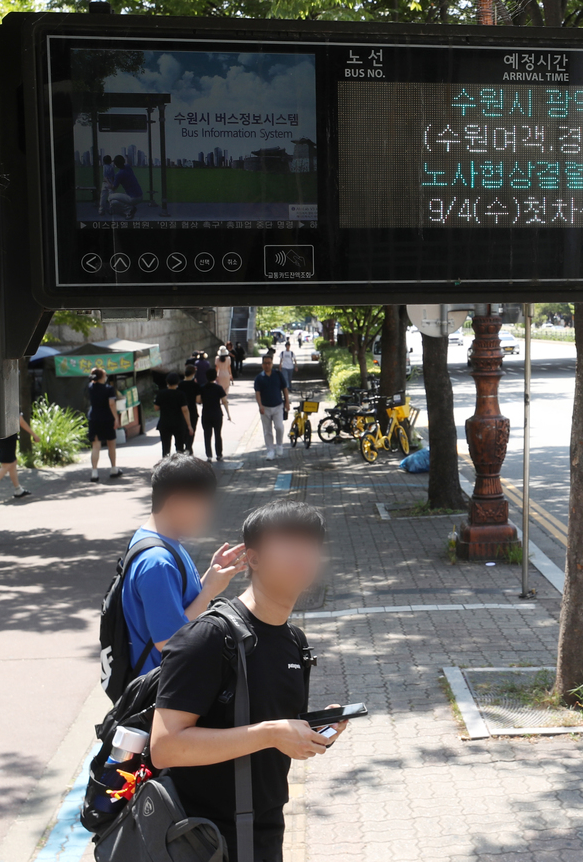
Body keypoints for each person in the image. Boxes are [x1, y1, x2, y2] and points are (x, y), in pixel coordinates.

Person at [151, 500, 343, 862]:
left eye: (311, 544)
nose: (303, 554)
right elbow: (165, 747)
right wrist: (271, 732)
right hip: (200, 840)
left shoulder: (294, 642)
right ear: (253, 559)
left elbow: (275, 735)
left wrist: (316, 732)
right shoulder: (208, 638)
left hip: (265, 832)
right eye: (288, 543)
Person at [120, 455, 246, 677]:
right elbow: (169, 640)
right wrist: (209, 591)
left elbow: (177, 606)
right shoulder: (157, 561)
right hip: (166, 691)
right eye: (201, 505)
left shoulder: (159, 540)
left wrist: (210, 575)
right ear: (176, 502)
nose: (206, 515)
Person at [0, 413, 40, 503]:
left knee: (13, 463)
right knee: (6, 466)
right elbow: (20, 420)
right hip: (8, 438)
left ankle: (18, 490)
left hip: (3, 437)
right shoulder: (12, 402)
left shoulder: (0, 402)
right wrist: (34, 434)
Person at [86, 367, 124, 482]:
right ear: (103, 377)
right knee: (111, 444)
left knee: (96, 446)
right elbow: (112, 404)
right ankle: (113, 468)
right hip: (107, 418)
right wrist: (116, 419)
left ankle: (94, 472)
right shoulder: (109, 389)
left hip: (93, 418)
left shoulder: (90, 387)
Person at [254, 353, 289, 461]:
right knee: (267, 430)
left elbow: (284, 388)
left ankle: (279, 444)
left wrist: (287, 402)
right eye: (265, 363)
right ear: (262, 365)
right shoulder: (259, 378)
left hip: (278, 406)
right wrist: (260, 405)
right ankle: (270, 450)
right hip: (265, 407)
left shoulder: (278, 374)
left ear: (272, 363)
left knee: (279, 427)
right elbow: (257, 393)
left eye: (269, 363)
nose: (267, 365)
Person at [153, 372, 193, 457]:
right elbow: (185, 410)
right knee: (179, 447)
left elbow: (156, 408)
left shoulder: (161, 393)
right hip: (178, 423)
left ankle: (165, 465)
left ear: (167, 382)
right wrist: (189, 425)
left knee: (165, 447)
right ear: (178, 382)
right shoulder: (181, 394)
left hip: (164, 423)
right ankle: (179, 465)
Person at [199, 369, 232, 462]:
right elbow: (224, 401)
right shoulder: (219, 388)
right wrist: (228, 414)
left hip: (206, 413)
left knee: (207, 435)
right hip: (217, 413)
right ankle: (219, 454)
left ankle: (209, 455)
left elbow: (198, 400)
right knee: (218, 434)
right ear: (215, 377)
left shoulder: (202, 388)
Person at [180, 365, 203, 455]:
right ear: (194, 373)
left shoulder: (180, 385)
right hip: (192, 410)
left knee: (183, 429)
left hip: (181, 411)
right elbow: (198, 400)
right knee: (192, 429)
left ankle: (185, 445)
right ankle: (189, 447)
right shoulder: (196, 386)